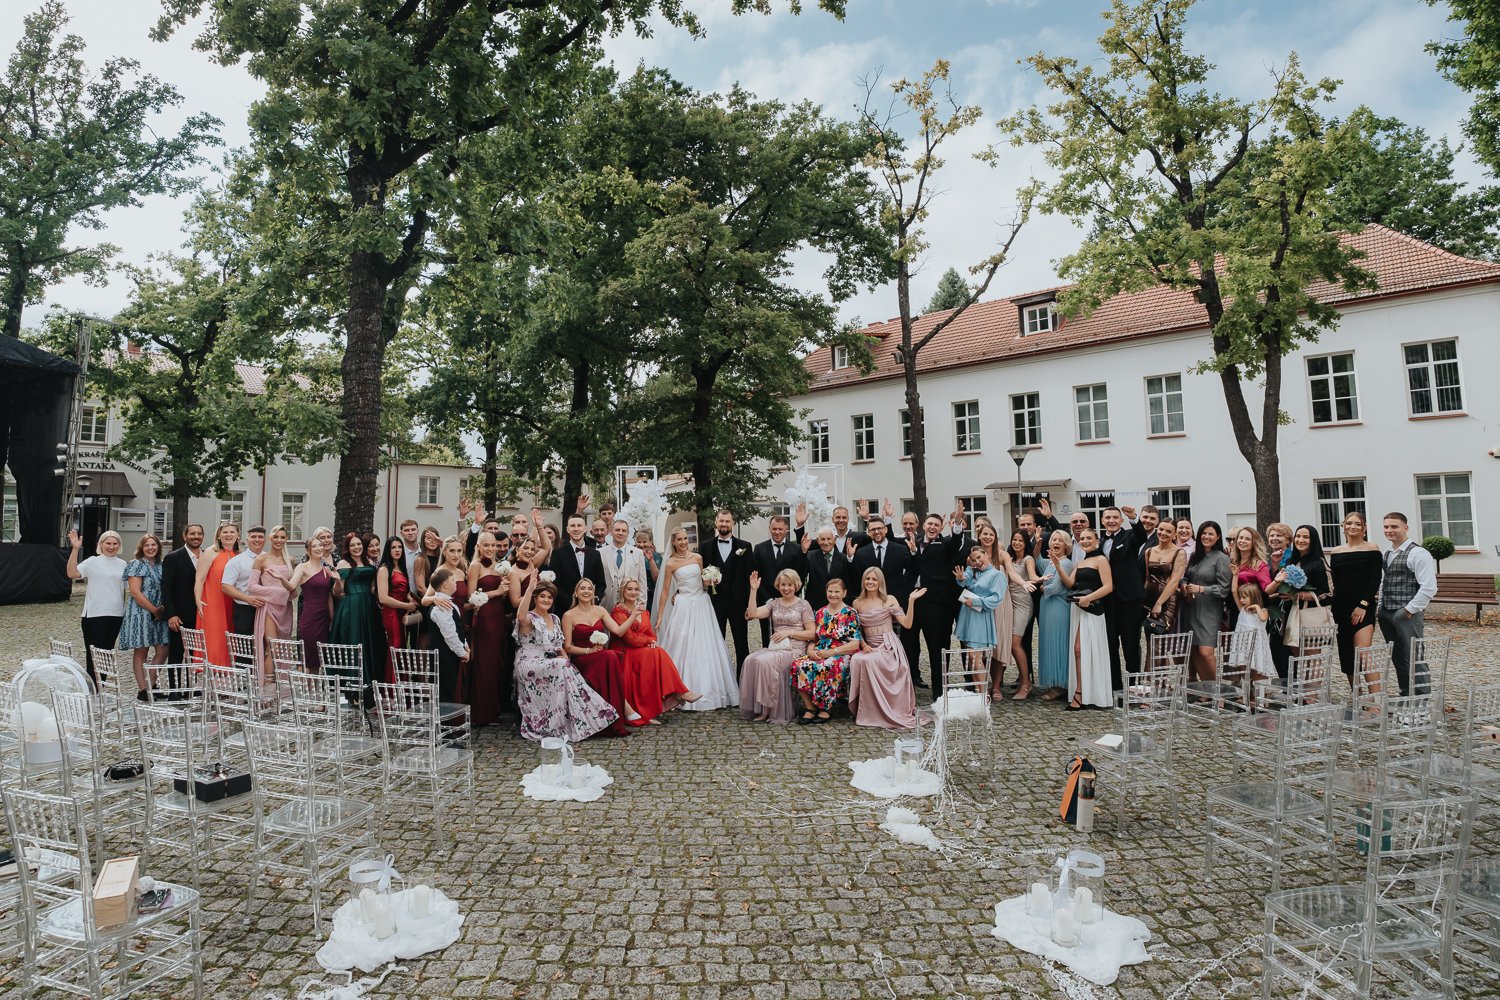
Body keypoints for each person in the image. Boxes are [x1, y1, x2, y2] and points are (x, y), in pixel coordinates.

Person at [512, 576, 619, 742]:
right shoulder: (529, 618)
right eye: (542, 596)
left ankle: (577, 721)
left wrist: (566, 660)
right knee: (561, 665)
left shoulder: (555, 619)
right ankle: (595, 714)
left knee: (565, 666)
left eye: (549, 597)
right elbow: (520, 615)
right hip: (529, 662)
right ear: (535, 598)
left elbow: (559, 646)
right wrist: (530, 589)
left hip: (551, 663)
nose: (546, 600)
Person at [656, 527, 739, 711]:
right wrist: (660, 614)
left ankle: (710, 691)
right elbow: (665, 591)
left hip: (702, 603)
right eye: (680, 539)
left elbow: (703, 582)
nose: (683, 542)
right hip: (684, 605)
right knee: (684, 644)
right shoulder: (670, 563)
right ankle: (680, 690)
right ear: (673, 542)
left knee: (706, 645)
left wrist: (711, 581)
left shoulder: (697, 557)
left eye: (685, 538)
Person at [611, 577, 698, 725]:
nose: (633, 592)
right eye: (629, 589)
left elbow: (650, 633)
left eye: (636, 589)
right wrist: (649, 642)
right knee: (656, 652)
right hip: (625, 651)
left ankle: (675, 694)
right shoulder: (618, 611)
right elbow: (629, 638)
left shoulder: (643, 611)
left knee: (656, 651)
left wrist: (652, 641)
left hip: (641, 649)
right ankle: (679, 692)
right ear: (623, 591)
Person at [848, 567, 925, 729]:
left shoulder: (889, 599)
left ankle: (884, 708)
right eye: (867, 578)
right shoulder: (857, 603)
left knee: (868, 661)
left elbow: (907, 624)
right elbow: (856, 629)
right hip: (870, 645)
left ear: (880, 582)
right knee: (857, 659)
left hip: (888, 646)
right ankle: (867, 708)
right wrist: (863, 644)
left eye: (874, 579)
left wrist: (911, 601)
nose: (870, 582)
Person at [849, 515, 918, 687]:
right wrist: (850, 559)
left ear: (886, 529)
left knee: (908, 643)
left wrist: (914, 553)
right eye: (873, 529)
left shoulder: (900, 548)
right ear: (868, 532)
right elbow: (855, 578)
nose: (877, 531)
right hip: (870, 606)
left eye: (879, 528)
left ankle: (907, 679)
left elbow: (913, 571)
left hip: (894, 601)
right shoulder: (861, 553)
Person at [906, 505, 969, 691]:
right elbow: (912, 568)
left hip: (936, 604)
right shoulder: (915, 542)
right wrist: (913, 552)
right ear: (923, 526)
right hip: (913, 602)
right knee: (910, 645)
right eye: (930, 524)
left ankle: (939, 692)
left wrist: (957, 522)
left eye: (936, 525)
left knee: (937, 648)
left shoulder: (946, 545)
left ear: (941, 528)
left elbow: (956, 541)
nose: (932, 527)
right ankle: (909, 687)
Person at [740, 569, 815, 724]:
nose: (786, 588)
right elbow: (752, 614)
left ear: (796, 585)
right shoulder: (774, 603)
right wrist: (753, 590)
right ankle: (762, 708)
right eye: (783, 585)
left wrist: (789, 632)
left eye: (789, 585)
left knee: (764, 662)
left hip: (795, 649)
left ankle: (770, 709)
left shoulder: (803, 605)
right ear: (778, 586)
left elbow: (812, 633)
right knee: (750, 660)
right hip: (776, 647)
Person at [561, 578, 633, 734]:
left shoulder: (600, 611)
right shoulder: (568, 615)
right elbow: (567, 647)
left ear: (594, 592)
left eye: (589, 588)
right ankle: (623, 710)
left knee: (609, 656)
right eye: (582, 588)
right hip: (582, 658)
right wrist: (589, 651)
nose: (586, 591)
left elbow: (618, 631)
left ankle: (614, 716)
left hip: (601, 657)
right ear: (576, 593)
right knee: (610, 656)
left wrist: (634, 615)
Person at [1378, 511, 1437, 695]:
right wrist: (1380, 607)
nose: (1389, 530)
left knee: (1414, 655)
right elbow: (1385, 581)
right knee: (1397, 656)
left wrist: (1408, 610)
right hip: (1386, 611)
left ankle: (1421, 698)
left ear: (1406, 527)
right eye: (1386, 526)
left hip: (1406, 613)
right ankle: (1406, 694)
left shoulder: (1418, 553)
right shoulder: (1387, 552)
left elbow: (1429, 587)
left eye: (1394, 526)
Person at [1053, 528, 1113, 710]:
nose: (1085, 541)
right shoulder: (1079, 563)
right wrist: (1057, 566)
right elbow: (1070, 583)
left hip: (1093, 609)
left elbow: (1108, 586)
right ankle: (1080, 691)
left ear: (1097, 541)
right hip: (1078, 609)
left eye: (1089, 538)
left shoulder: (1101, 560)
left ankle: (1084, 693)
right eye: (1082, 539)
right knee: (1079, 651)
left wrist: (1089, 598)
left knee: (1082, 650)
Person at [789, 576, 861, 724]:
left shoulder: (850, 613)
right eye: (830, 591)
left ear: (844, 593)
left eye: (837, 591)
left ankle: (825, 708)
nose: (833, 594)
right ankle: (810, 707)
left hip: (842, 652)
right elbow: (813, 638)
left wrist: (830, 653)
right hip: (820, 650)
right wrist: (810, 651)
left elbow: (855, 644)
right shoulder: (820, 612)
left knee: (827, 665)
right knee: (797, 665)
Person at [1328, 511, 1382, 684]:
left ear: (1364, 528)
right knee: (1347, 654)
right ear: (1343, 527)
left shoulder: (1372, 549)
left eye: (1358, 524)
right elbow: (1336, 582)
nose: (1353, 526)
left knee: (1363, 652)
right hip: (1340, 608)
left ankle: (1375, 697)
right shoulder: (1336, 552)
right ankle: (1356, 694)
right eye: (1349, 523)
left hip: (1364, 607)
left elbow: (1375, 580)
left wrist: (1363, 605)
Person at [66, 528, 127, 680]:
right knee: (94, 655)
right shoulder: (93, 561)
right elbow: (72, 573)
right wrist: (75, 549)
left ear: (119, 545)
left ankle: (101, 686)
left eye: (115, 543)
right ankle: (92, 687)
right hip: (94, 615)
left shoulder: (123, 564)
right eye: (108, 543)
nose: (111, 546)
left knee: (106, 655)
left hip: (116, 614)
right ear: (101, 544)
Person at [1099, 505, 1149, 690]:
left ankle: (1133, 687)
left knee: (1131, 645)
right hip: (1108, 600)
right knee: (1110, 644)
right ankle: (1115, 687)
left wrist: (1134, 518)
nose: (1111, 521)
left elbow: (1142, 536)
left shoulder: (1129, 536)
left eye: (1115, 517)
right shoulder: (1099, 541)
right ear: (1102, 521)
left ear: (1121, 520)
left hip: (1129, 600)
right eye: (1107, 518)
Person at [329, 533, 383, 705]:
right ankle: (354, 691)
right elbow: (338, 592)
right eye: (352, 545)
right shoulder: (343, 564)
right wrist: (337, 581)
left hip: (369, 606)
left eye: (359, 544)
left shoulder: (369, 562)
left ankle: (371, 688)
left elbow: (373, 586)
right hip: (352, 607)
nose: (356, 547)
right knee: (354, 642)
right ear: (347, 547)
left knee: (370, 644)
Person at [700, 509, 753, 673]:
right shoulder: (705, 546)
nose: (724, 524)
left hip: (738, 603)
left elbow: (751, 577)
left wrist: (750, 604)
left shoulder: (745, 546)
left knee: (742, 645)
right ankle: (718, 679)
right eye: (721, 521)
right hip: (715, 603)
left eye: (727, 521)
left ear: (733, 523)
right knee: (715, 643)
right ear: (716, 523)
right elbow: (698, 574)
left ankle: (742, 680)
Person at [467, 531, 511, 726]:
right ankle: (481, 713)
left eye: (493, 545)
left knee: (496, 663)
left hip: (498, 614)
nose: (491, 549)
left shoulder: (500, 566)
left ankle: (494, 711)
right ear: (479, 547)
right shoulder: (475, 566)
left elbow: (503, 594)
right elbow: (471, 597)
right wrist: (497, 592)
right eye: (487, 545)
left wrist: (504, 591)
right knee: (484, 663)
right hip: (484, 616)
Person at [420, 536, 471, 698]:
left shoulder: (461, 572)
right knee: (447, 677)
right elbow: (424, 600)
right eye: (452, 551)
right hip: (444, 619)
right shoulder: (440, 573)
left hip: (460, 619)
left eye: (459, 551)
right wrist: (435, 599)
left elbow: (464, 600)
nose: (456, 555)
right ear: (444, 552)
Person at [1271, 525, 1331, 658]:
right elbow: (1281, 584)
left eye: (1306, 537)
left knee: (1311, 656)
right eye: (1298, 536)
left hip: (1310, 615)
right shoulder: (1292, 561)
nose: (1300, 540)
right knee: (1296, 655)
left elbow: (1328, 593)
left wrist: (1298, 595)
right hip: (1291, 615)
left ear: (1313, 540)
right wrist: (1275, 565)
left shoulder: (1318, 563)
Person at [120, 534, 168, 699]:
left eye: (153, 545)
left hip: (160, 611)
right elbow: (135, 592)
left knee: (163, 649)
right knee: (142, 650)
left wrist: (161, 609)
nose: (150, 548)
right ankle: (143, 689)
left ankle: (150, 684)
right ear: (141, 547)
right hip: (141, 611)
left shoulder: (161, 565)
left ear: (158, 547)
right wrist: (153, 610)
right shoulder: (137, 564)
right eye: (147, 545)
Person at [1182, 521, 1232, 681]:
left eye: (1211, 534)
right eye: (1204, 533)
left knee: (1206, 652)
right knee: (1195, 651)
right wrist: (1184, 584)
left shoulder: (1221, 558)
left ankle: (1218, 689)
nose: (1206, 536)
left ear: (1218, 537)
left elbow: (1224, 589)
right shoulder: (1194, 556)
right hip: (1190, 608)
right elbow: (1186, 576)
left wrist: (1202, 589)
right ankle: (1207, 689)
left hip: (1209, 610)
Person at [953, 546, 1006, 691]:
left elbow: (996, 599)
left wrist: (976, 602)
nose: (976, 561)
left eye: (979, 557)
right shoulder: (974, 571)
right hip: (968, 616)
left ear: (986, 555)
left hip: (980, 617)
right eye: (973, 559)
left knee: (975, 656)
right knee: (971, 656)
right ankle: (979, 691)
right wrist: (961, 578)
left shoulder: (997, 575)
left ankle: (984, 695)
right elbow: (965, 581)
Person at [752, 514, 809, 646]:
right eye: (774, 529)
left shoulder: (796, 549)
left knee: (789, 635)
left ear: (786, 529)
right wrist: (767, 599)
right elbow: (757, 577)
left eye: (780, 529)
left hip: (789, 600)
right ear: (769, 529)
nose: (777, 532)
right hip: (766, 599)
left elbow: (800, 575)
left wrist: (804, 553)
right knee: (767, 636)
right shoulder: (759, 548)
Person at [250, 526, 296, 680]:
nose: (279, 540)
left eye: (282, 537)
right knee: (273, 647)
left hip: (285, 608)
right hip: (268, 607)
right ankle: (268, 685)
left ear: (286, 539)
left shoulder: (290, 560)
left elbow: (292, 587)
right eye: (276, 537)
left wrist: (290, 593)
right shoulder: (261, 559)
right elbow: (251, 586)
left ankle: (281, 684)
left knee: (283, 647)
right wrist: (278, 593)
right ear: (270, 538)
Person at [1034, 530, 1074, 701]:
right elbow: (1037, 559)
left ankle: (1061, 685)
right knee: (1048, 642)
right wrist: (1038, 542)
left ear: (1066, 545)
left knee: (1058, 643)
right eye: (1054, 540)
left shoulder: (1066, 563)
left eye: (1060, 540)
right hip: (1047, 607)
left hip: (1058, 606)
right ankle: (1054, 681)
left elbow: (1057, 587)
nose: (1056, 542)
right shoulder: (1049, 562)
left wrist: (1042, 588)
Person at [193, 523, 239, 668]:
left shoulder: (240, 554)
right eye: (225, 532)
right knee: (215, 637)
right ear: (218, 535)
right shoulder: (210, 552)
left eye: (232, 532)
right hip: (213, 600)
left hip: (233, 600)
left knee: (231, 636)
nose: (228, 535)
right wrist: (198, 600)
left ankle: (230, 670)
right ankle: (213, 671)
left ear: (238, 535)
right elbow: (199, 579)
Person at [290, 537, 338, 674]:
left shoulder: (326, 569)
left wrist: (332, 619)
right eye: (314, 546)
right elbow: (292, 586)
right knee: (307, 657)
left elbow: (329, 596)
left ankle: (315, 686)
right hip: (310, 617)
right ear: (308, 550)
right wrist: (281, 579)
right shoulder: (302, 567)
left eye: (320, 545)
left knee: (318, 659)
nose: (319, 548)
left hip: (324, 618)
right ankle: (306, 687)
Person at [376, 536, 418, 683]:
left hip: (401, 612)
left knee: (402, 648)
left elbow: (402, 590)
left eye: (399, 547)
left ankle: (401, 686)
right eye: (393, 547)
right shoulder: (384, 569)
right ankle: (392, 689)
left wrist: (409, 598)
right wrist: (406, 606)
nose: (397, 550)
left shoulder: (400, 567)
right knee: (395, 647)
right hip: (391, 613)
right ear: (388, 550)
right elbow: (383, 598)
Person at [160, 523, 203, 667]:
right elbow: (166, 588)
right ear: (185, 536)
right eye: (192, 534)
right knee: (176, 653)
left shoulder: (207, 556)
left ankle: (193, 682)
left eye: (199, 534)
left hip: (201, 616)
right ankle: (175, 683)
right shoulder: (173, 557)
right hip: (180, 617)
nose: (196, 537)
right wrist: (171, 614)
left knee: (197, 654)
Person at [1003, 528, 1038, 700]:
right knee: (1011, 643)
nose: (1017, 543)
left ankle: (1026, 684)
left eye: (1020, 541)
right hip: (1010, 603)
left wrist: (1039, 579)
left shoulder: (1028, 559)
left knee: (1015, 643)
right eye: (1014, 540)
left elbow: (1032, 575)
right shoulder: (1009, 559)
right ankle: (1022, 682)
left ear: (1025, 543)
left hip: (1023, 603)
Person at [427, 567, 469, 703]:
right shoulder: (441, 607)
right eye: (453, 580)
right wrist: (462, 652)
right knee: (445, 690)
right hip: (443, 655)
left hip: (450, 654)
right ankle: (444, 715)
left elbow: (458, 629)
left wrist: (465, 646)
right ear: (445, 584)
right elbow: (450, 634)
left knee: (451, 687)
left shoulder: (450, 604)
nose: (455, 583)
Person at [549, 514, 605, 614]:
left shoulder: (595, 554)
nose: (576, 529)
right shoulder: (558, 553)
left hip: (590, 609)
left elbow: (601, 584)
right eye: (572, 526)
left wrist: (593, 601)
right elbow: (555, 584)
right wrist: (572, 603)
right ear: (567, 529)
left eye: (579, 525)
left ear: (585, 529)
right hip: (565, 609)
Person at [1142, 519, 1187, 636]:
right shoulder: (1149, 551)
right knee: (1149, 637)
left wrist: (1159, 603)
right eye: (1161, 529)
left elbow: (1174, 581)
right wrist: (1143, 601)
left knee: (1161, 637)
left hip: (1167, 601)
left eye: (1168, 531)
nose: (1163, 533)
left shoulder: (1179, 553)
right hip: (1149, 599)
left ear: (1175, 534)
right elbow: (1147, 579)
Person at [221, 525, 267, 637]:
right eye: (253, 537)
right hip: (245, 609)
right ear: (247, 540)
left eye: (260, 537)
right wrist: (247, 598)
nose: (257, 539)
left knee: (266, 642)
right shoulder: (237, 561)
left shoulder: (269, 558)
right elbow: (226, 586)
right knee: (245, 643)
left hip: (267, 608)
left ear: (265, 540)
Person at [1232, 580, 1276, 688]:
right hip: (1243, 647)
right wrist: (1235, 576)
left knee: (1257, 671)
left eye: (1244, 597)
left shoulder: (1264, 611)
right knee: (1244, 670)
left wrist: (1256, 606)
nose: (1241, 600)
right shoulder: (1242, 610)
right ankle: (1247, 692)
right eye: (1240, 597)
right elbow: (1233, 591)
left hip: (1257, 648)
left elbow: (1263, 618)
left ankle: (1260, 693)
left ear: (1253, 596)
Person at [802, 525, 854, 614]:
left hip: (839, 606)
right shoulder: (810, 556)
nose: (826, 542)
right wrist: (803, 552)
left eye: (829, 539)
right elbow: (801, 573)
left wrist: (850, 558)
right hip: (815, 605)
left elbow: (851, 579)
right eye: (822, 539)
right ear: (818, 540)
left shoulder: (844, 558)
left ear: (834, 540)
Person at [600, 518, 647, 610]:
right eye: (617, 530)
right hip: (606, 605)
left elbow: (642, 582)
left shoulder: (638, 553)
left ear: (628, 533)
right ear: (611, 532)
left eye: (623, 531)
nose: (620, 533)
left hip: (631, 606)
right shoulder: (600, 552)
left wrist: (642, 604)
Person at [636, 529, 663, 612]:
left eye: (644, 542)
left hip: (651, 595)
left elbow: (657, 578)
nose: (641, 545)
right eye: (638, 542)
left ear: (651, 542)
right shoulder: (632, 554)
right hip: (634, 594)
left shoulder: (656, 556)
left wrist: (651, 560)